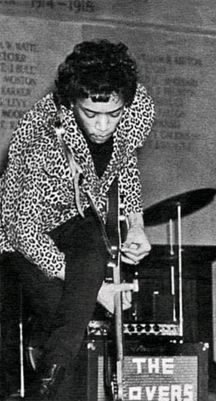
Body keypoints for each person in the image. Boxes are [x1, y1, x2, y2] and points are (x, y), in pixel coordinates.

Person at [0, 39, 155, 400]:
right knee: (68, 316)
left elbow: (123, 162)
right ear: (71, 104)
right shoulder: (40, 139)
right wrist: (97, 291)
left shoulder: (133, 109)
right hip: (18, 237)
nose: (103, 126)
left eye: (113, 114)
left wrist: (136, 223)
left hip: (76, 219)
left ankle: (44, 389)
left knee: (91, 246)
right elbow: (23, 232)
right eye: (90, 114)